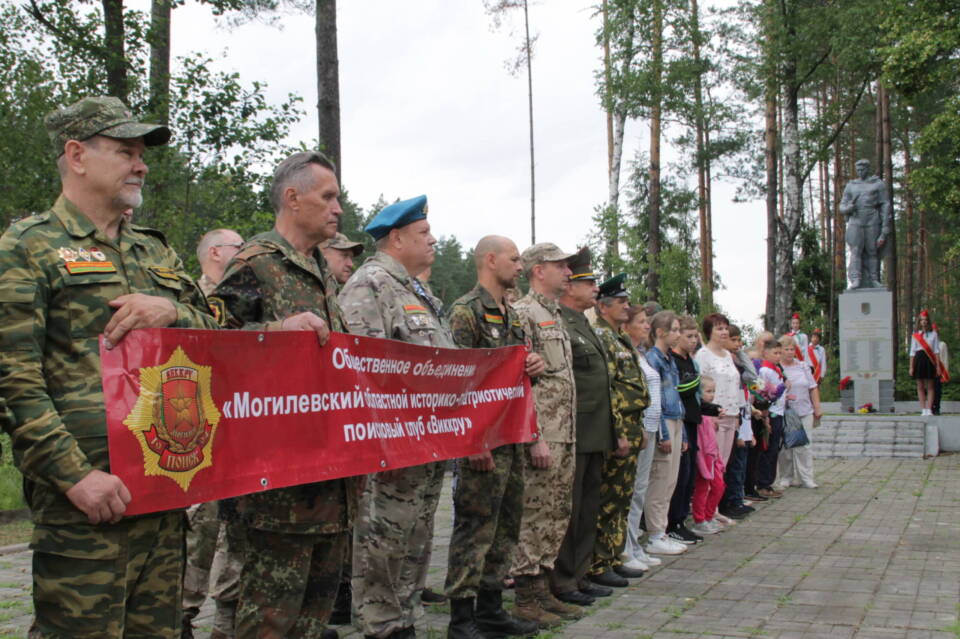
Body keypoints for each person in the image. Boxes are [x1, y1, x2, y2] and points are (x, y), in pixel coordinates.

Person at [0, 95, 219, 638]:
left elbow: (219, 337)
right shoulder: (29, 247)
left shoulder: (154, 254)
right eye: (125, 151)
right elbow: (13, 379)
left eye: (142, 153)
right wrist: (74, 477)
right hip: (86, 507)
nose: (141, 164)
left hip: (163, 492)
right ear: (77, 156)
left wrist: (174, 310)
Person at [209, 151, 350, 639]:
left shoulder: (319, 269)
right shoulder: (255, 264)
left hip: (329, 480)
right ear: (293, 198)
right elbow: (208, 349)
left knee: (313, 619)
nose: (338, 209)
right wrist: (278, 329)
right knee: (269, 622)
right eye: (328, 197)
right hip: (277, 488)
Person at [338, 195, 455, 639]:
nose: (432, 240)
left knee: (416, 539)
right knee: (382, 544)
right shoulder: (369, 285)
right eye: (424, 233)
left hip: (427, 444)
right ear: (396, 237)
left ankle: (405, 618)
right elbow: (362, 370)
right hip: (391, 448)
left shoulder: (417, 292)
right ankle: (382, 626)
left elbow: (449, 363)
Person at [443, 236, 544, 639]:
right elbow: (454, 382)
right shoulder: (466, 312)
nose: (520, 267)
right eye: (514, 259)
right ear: (490, 259)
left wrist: (531, 365)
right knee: (474, 528)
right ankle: (461, 619)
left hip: (512, 438)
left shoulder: (513, 316)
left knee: (505, 527)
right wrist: (472, 441)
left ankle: (490, 610)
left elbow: (517, 380)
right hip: (482, 442)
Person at [510, 243, 583, 629]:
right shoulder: (523, 314)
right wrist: (533, 434)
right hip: (543, 433)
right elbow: (519, 383)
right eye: (560, 266)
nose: (568, 272)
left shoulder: (554, 313)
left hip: (564, 432)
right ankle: (524, 596)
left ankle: (542, 591)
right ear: (539, 270)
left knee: (556, 513)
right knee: (534, 513)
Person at [183, 226, 244, 639]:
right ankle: (182, 616)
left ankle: (227, 620)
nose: (246, 255)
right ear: (217, 253)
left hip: (240, 432)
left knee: (238, 532)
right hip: (197, 434)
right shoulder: (187, 296)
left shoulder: (243, 301)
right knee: (200, 532)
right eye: (240, 248)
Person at [551, 248, 620, 602]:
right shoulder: (558, 320)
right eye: (589, 282)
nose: (596, 288)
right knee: (571, 508)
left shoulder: (581, 322)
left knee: (589, 504)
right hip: (573, 429)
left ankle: (580, 574)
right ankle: (562, 579)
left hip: (594, 429)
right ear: (570, 287)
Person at [589, 275, 650, 586]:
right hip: (618, 426)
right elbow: (609, 388)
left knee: (623, 498)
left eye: (627, 301)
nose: (627, 306)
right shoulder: (601, 336)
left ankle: (614, 556)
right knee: (609, 497)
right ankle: (598, 563)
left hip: (632, 423)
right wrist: (618, 432)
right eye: (621, 302)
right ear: (602, 307)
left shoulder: (620, 337)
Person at [622, 306, 664, 571]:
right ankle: (626, 549)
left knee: (639, 491)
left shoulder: (641, 354)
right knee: (630, 492)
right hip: (637, 430)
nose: (647, 325)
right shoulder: (626, 353)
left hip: (649, 429)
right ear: (626, 326)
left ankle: (634, 545)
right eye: (640, 322)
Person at [643, 311, 688, 556]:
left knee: (670, 480)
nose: (679, 334)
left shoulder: (669, 358)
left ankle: (663, 529)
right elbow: (654, 399)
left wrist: (684, 435)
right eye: (675, 329)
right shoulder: (653, 359)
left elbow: (675, 393)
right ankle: (655, 534)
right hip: (664, 423)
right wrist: (663, 434)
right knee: (659, 481)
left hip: (676, 418)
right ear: (661, 332)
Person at [666, 315, 703, 546]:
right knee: (678, 477)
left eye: (695, 336)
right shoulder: (673, 361)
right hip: (680, 422)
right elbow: (677, 390)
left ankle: (680, 521)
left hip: (693, 420)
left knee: (689, 476)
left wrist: (709, 407)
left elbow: (694, 395)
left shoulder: (691, 360)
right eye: (688, 336)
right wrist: (698, 381)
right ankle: (672, 524)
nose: (693, 341)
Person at [717, 325, 756, 520]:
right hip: (729, 414)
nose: (738, 344)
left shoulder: (737, 360)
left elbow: (751, 375)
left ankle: (735, 499)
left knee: (738, 461)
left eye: (740, 341)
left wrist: (741, 352)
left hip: (741, 412)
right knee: (730, 462)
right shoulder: (722, 362)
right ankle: (727, 502)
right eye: (735, 340)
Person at [694, 313, 742, 468]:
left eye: (726, 328)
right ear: (709, 331)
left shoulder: (728, 355)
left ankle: (718, 493)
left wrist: (737, 414)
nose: (724, 332)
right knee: (713, 462)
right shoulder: (703, 355)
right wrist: (709, 414)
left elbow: (735, 383)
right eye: (719, 328)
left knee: (724, 463)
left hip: (731, 414)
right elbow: (701, 386)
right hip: (715, 416)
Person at [839, 158, 893, 289]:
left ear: (867, 169)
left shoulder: (877, 184)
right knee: (855, 251)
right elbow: (842, 206)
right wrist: (848, 209)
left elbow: (885, 203)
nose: (860, 171)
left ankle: (874, 278)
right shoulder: (851, 185)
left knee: (872, 251)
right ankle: (856, 278)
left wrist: (885, 227)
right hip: (856, 220)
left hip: (872, 220)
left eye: (862, 169)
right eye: (858, 169)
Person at [776, 334, 821, 489]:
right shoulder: (778, 368)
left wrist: (817, 407)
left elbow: (813, 387)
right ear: (780, 351)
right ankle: (786, 476)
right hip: (786, 412)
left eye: (792, 349)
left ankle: (806, 477)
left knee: (805, 445)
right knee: (785, 447)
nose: (790, 352)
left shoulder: (802, 366)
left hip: (804, 410)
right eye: (786, 349)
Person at [689, 376, 726, 536]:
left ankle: (709, 516)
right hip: (702, 457)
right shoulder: (698, 415)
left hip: (712, 456)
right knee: (702, 488)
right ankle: (700, 519)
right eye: (708, 391)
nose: (712, 395)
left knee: (719, 486)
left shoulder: (710, 414)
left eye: (713, 391)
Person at [755, 338, 787, 499]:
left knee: (775, 449)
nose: (778, 356)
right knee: (768, 450)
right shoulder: (765, 370)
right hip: (771, 413)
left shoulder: (776, 369)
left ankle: (769, 482)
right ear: (765, 353)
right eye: (775, 353)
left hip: (779, 411)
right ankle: (763, 483)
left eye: (780, 353)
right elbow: (761, 392)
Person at [910, 310, 941, 416]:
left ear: (928, 321)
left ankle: (929, 409)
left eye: (926, 320)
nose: (924, 322)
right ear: (919, 322)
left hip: (929, 359)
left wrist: (938, 366)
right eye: (922, 320)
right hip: (919, 359)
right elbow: (912, 352)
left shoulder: (934, 334)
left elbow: (936, 351)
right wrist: (911, 367)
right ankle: (923, 408)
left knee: (930, 386)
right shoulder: (915, 335)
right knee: (920, 385)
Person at [196, 228, 245, 295]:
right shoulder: (191, 300)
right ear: (215, 253)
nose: (246, 252)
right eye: (240, 247)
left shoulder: (246, 297)